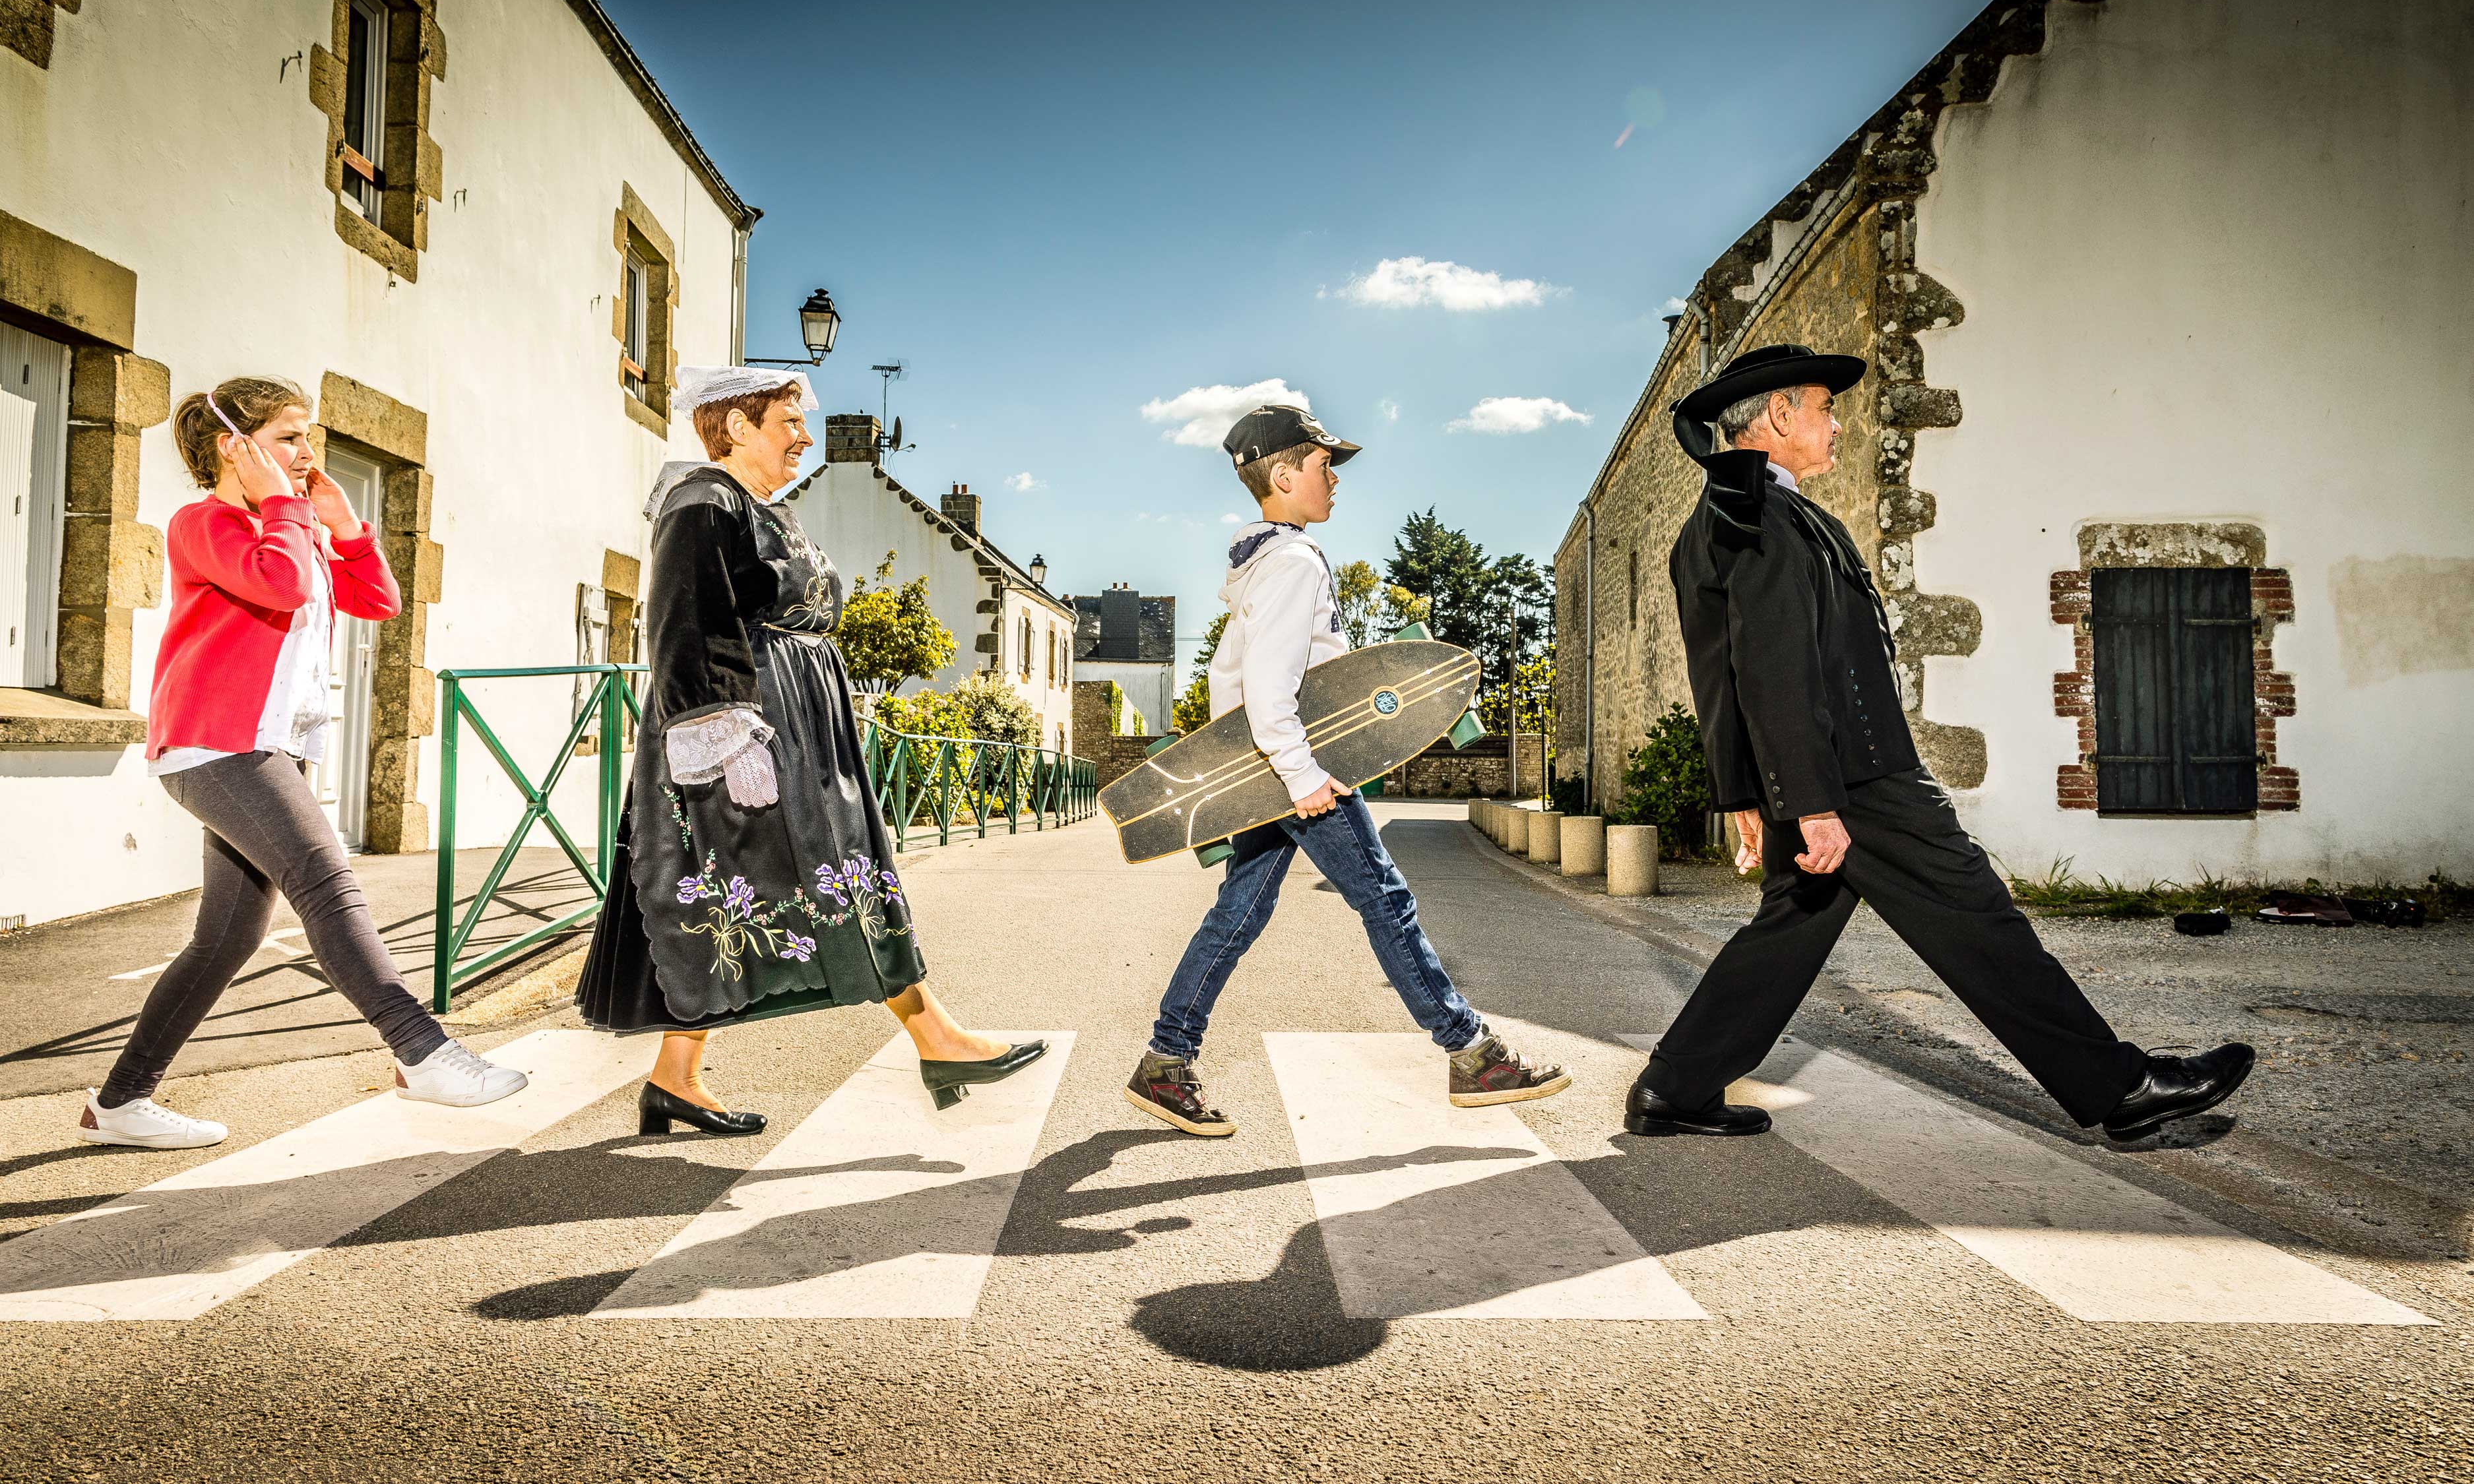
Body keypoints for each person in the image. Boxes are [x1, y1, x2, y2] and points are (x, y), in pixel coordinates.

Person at [1626, 343, 2254, 1142]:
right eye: (1824, 407)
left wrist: (1748, 790)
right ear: (1779, 416)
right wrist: (1807, 801)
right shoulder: (1758, 516)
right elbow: (1770, 673)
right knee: (1978, 916)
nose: (1839, 424)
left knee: (1790, 927)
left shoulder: (1746, 512)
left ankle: (1675, 1088)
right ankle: (2120, 1087)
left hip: (1827, 774)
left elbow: (1721, 673)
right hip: (1857, 777)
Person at [577, 365, 1043, 1134]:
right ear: (735, 426)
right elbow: (683, 623)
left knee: (740, 895)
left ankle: (675, 1078)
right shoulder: (703, 500)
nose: (804, 434)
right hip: (754, 732)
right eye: (787, 420)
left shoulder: (753, 506)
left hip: (797, 726)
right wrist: (727, 738)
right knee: (835, 876)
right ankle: (937, 1038)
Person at [80, 378, 528, 1151]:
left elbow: (379, 600)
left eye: (305, 436)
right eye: (289, 437)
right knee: (325, 880)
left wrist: (345, 524)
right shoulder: (203, 522)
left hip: (264, 744)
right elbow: (279, 584)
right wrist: (287, 506)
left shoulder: (292, 527)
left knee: (226, 939)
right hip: (216, 742)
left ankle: (120, 1103)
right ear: (236, 445)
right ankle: (422, 1051)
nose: (306, 452)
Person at [1122, 404, 1568, 1137]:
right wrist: (1302, 778)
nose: (1336, 480)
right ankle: (1472, 1053)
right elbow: (1269, 695)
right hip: (1305, 770)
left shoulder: (1266, 560)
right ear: (1287, 473)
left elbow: (1233, 682)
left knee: (1239, 914)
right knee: (1386, 900)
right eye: (1326, 466)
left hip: (1275, 770)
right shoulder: (1293, 563)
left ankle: (1166, 1062)